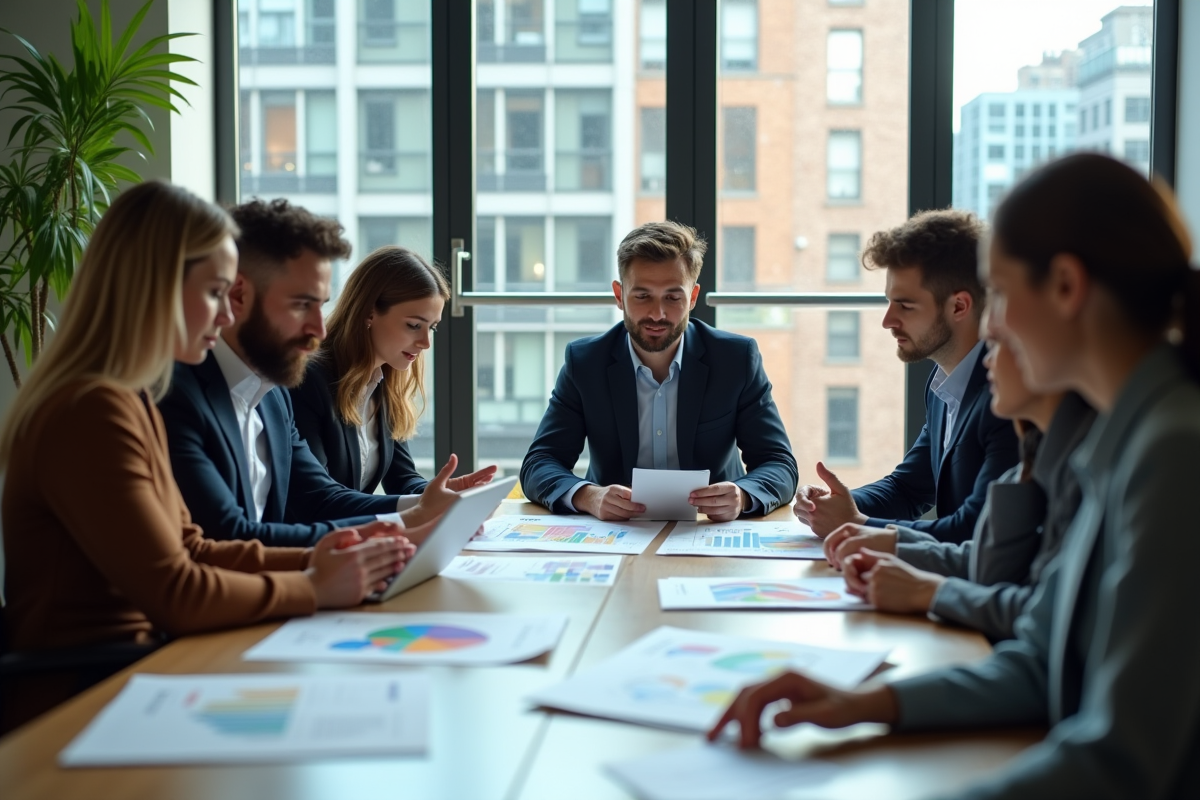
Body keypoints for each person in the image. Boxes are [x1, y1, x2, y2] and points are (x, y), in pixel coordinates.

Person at [710, 154, 1200, 799]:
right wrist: (861, 703)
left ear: (1065, 286)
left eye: (1002, 292)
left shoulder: (1172, 451)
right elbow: (1040, 660)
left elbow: (1121, 763)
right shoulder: (1122, 438)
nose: (992, 325)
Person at [0, 181, 413, 730]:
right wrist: (315, 585)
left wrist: (327, 556)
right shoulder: (90, 410)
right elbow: (175, 589)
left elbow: (194, 547)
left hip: (148, 671)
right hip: (85, 699)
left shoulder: (129, 399)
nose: (225, 317)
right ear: (155, 289)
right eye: (216, 292)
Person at [158, 199, 462, 548]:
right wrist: (392, 531)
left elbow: (319, 495)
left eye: (321, 304)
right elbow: (229, 536)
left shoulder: (272, 396)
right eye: (302, 304)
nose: (320, 329)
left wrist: (420, 510)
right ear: (238, 295)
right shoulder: (175, 395)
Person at [820, 309, 1096, 641]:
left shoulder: (1079, 466)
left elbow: (1031, 607)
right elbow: (987, 561)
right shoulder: (1033, 448)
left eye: (997, 344)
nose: (987, 360)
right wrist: (889, 540)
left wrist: (927, 590)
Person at [519, 221, 798, 522]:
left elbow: (778, 463)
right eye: (642, 296)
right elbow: (540, 462)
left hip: (707, 529)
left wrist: (742, 496)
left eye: (672, 297)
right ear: (619, 295)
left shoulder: (735, 359)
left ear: (692, 297)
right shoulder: (585, 362)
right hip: (616, 531)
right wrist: (589, 496)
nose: (657, 314)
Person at [794, 210, 1019, 544]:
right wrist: (832, 505)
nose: (887, 320)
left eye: (905, 305)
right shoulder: (942, 384)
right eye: (889, 302)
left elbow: (974, 531)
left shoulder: (1008, 395)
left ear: (959, 306)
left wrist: (859, 524)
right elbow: (909, 488)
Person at [291, 246, 496, 495]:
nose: (426, 343)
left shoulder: (384, 380)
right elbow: (319, 499)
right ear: (368, 313)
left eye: (432, 327)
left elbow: (402, 479)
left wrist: (441, 492)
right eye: (414, 325)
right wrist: (420, 505)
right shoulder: (308, 380)